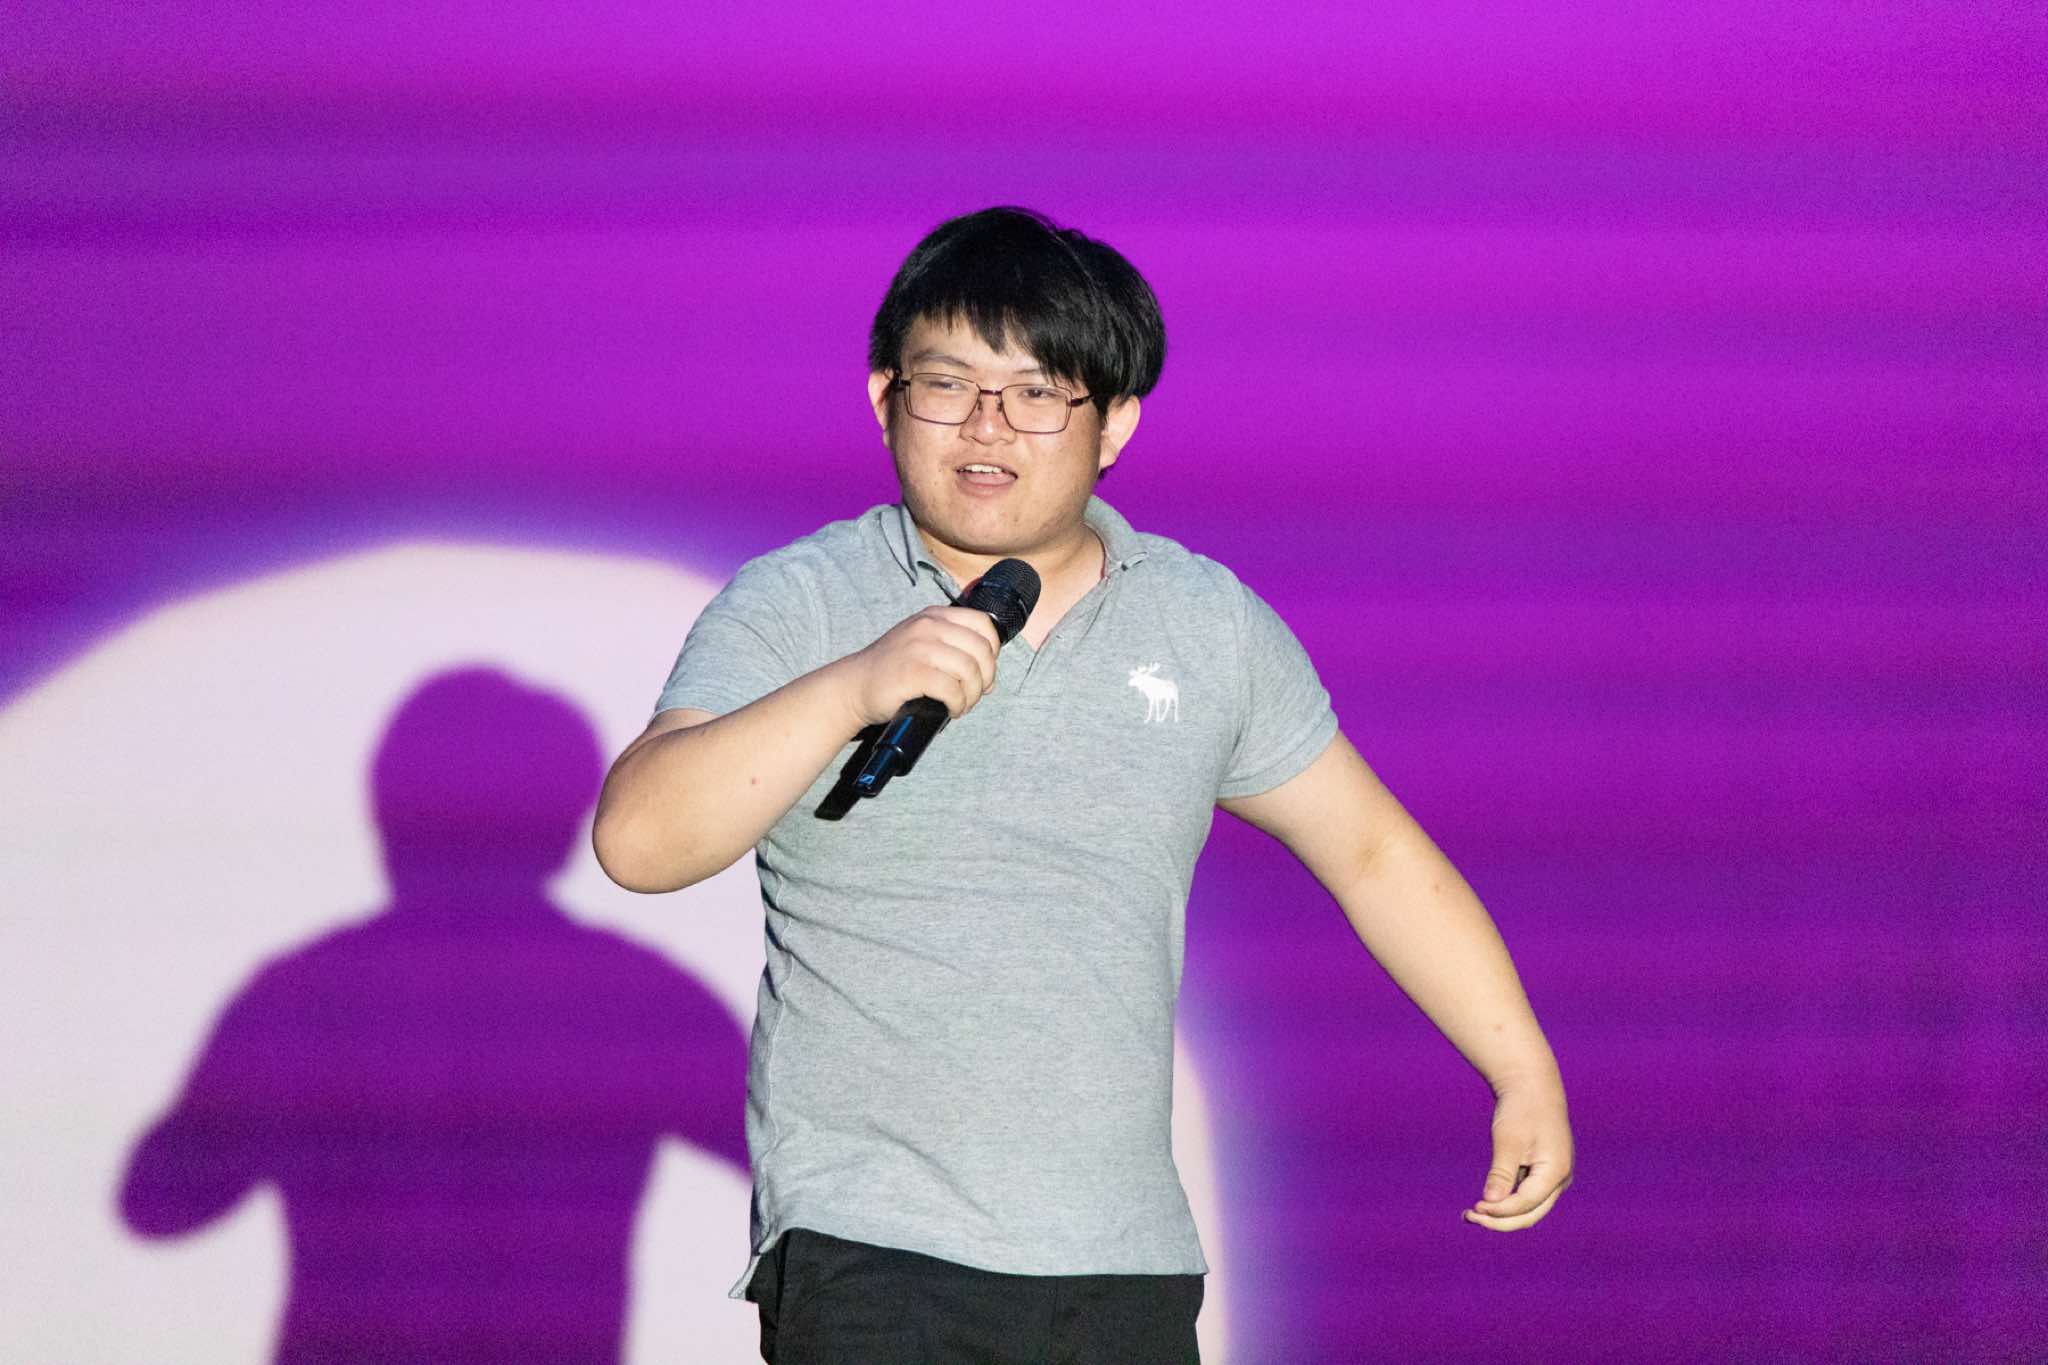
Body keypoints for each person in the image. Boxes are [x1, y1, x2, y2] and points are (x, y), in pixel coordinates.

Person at [593, 206, 1573, 1364]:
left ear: (1113, 424)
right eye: (946, 385)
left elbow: (1371, 854)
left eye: (1037, 393)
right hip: (872, 1252)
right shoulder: (798, 601)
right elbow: (639, 841)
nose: (986, 425)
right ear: (883, 397)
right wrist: (854, 685)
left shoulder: (1204, 623)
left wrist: (1520, 1070)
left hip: (1123, 1266)